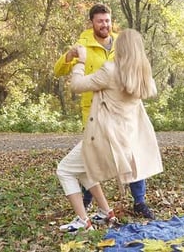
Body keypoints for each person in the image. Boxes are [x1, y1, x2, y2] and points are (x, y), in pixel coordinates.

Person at [56, 28, 163, 233]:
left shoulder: (110, 71)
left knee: (65, 170)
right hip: (125, 141)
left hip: (104, 138)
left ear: (120, 48)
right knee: (85, 168)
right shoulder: (142, 75)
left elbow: (76, 85)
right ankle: (107, 213)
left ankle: (82, 221)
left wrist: (81, 61)